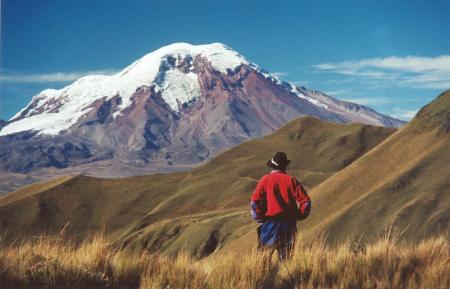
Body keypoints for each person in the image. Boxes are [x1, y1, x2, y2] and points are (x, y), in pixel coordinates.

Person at [250, 152, 311, 260]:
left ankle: (263, 277)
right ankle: (285, 276)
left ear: (272, 166)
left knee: (263, 258)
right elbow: (305, 201)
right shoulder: (291, 180)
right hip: (289, 223)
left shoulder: (266, 180)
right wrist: (299, 215)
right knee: (286, 258)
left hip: (270, 223)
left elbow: (255, 201)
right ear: (285, 166)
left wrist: (258, 217)